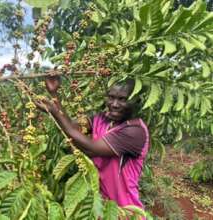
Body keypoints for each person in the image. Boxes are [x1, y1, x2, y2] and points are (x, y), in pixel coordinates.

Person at [36, 75, 150, 210]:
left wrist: (54, 112)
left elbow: (90, 149)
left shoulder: (134, 131)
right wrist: (54, 94)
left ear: (135, 100)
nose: (114, 104)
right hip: (100, 206)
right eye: (111, 97)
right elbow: (72, 128)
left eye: (122, 99)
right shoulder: (102, 118)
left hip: (125, 210)